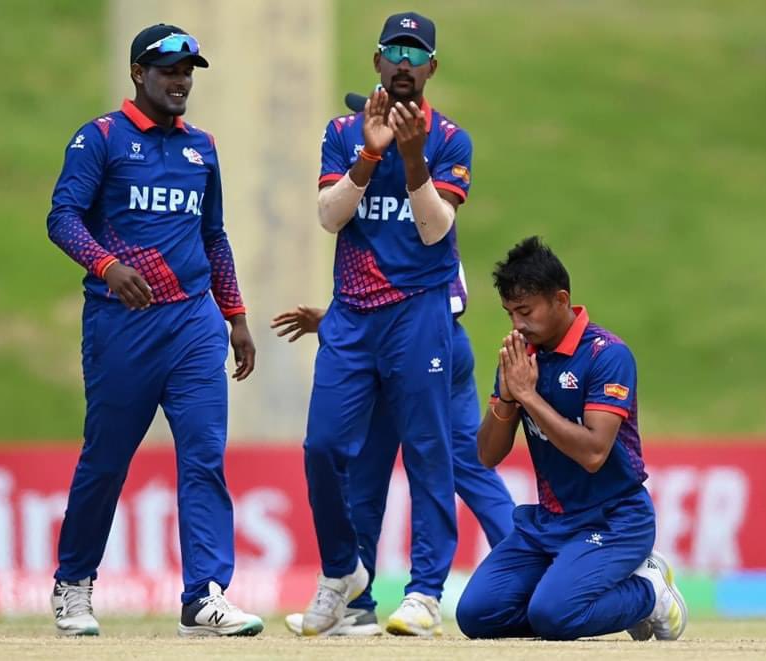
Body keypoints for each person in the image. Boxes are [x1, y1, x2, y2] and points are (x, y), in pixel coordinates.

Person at [45, 24, 263, 638]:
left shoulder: (202, 148)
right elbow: (62, 217)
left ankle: (204, 596)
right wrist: (107, 267)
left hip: (193, 323)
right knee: (106, 460)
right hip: (123, 325)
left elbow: (213, 236)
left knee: (204, 457)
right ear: (139, 73)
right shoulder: (101, 139)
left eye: (188, 70)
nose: (180, 80)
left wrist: (236, 315)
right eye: (169, 69)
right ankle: (73, 584)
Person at [300, 11, 473, 636]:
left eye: (415, 53)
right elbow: (329, 216)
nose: (404, 62)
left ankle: (425, 591)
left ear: (431, 68)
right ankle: (342, 574)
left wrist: (412, 156)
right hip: (351, 313)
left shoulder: (450, 139)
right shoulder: (343, 131)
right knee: (323, 447)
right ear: (376, 62)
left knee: (428, 450)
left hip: (419, 311)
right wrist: (372, 154)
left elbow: (434, 230)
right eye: (394, 51)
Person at [455, 237, 687, 641]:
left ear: (560, 299)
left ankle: (649, 593)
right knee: (476, 616)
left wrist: (529, 396)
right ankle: (576, 601)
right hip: (549, 521)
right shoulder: (520, 359)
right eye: (510, 313)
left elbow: (594, 453)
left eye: (526, 311)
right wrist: (508, 398)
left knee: (554, 616)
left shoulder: (607, 355)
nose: (517, 325)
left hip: (614, 519)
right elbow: (488, 455)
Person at [271, 276, 515, 636]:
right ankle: (356, 606)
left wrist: (344, 322)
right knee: (373, 475)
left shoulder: (428, 243)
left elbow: (438, 295)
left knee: (441, 465)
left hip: (426, 345)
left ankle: (515, 575)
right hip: (401, 344)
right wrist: (339, 319)